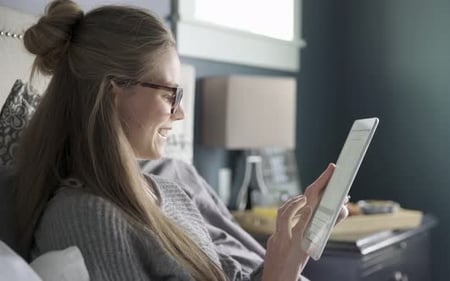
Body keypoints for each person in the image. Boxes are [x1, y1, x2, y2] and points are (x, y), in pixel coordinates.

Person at [14, 1, 348, 280]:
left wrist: (290, 253)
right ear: (113, 90)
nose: (180, 113)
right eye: (170, 94)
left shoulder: (171, 192)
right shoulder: (86, 218)